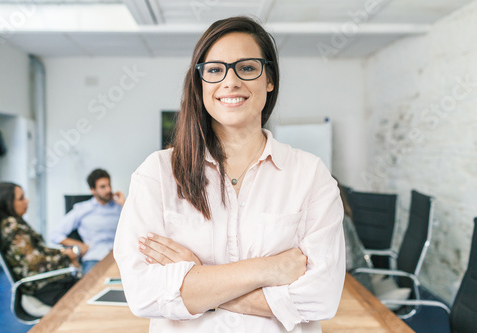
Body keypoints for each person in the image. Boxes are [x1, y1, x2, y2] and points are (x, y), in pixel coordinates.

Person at [114, 16, 345, 332]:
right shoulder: (157, 174)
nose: (230, 81)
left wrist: (197, 276)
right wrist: (268, 269)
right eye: (214, 70)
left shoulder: (310, 175)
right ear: (200, 82)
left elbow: (321, 298)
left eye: (247, 68)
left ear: (270, 79)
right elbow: (143, 294)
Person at [0, 182, 79, 316]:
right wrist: (67, 257)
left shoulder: (13, 223)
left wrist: (61, 252)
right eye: (21, 198)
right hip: (43, 287)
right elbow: (36, 263)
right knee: (87, 293)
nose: (27, 200)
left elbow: (38, 251)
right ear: (8, 203)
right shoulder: (13, 227)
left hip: (45, 283)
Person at [50, 168, 125, 273]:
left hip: (120, 257)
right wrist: (79, 245)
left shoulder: (120, 206)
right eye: (103, 187)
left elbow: (137, 228)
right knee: (91, 286)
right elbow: (55, 235)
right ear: (93, 190)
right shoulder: (82, 209)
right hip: (95, 257)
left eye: (109, 185)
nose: (108, 190)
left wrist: (125, 204)